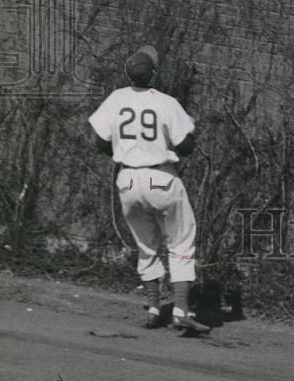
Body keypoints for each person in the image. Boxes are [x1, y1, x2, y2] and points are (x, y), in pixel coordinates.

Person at [88, 45, 210, 336]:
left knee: (146, 244)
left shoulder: (116, 98)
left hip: (128, 180)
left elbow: (99, 141)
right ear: (154, 75)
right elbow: (186, 146)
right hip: (161, 177)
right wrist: (188, 136)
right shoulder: (166, 102)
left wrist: (127, 152)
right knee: (181, 241)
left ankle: (154, 308)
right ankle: (180, 311)